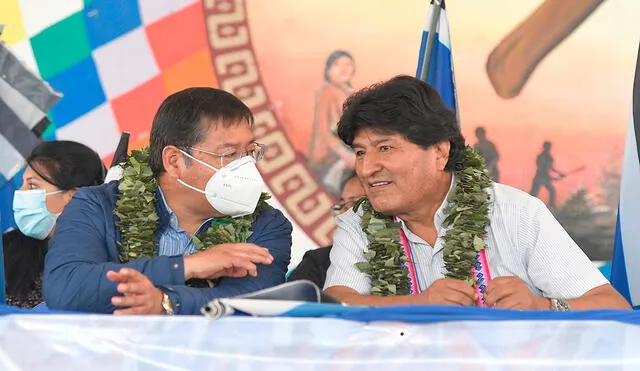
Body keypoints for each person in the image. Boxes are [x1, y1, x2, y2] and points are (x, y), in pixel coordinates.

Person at [324, 75, 630, 310]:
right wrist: (419, 303)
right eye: (361, 152)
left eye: (385, 148)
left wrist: (542, 305)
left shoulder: (516, 212)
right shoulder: (358, 222)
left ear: (439, 153)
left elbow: (610, 304)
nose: (366, 169)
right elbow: (337, 302)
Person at [44, 88, 293, 315]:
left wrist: (166, 302)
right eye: (229, 155)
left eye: (249, 152)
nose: (245, 166)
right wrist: (187, 266)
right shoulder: (96, 205)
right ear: (174, 161)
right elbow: (66, 287)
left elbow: (252, 303)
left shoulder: (267, 225)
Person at [3, 141, 106, 308]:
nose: (20, 193)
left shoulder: (108, 257)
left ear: (74, 196)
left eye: (32, 185)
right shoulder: (5, 249)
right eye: (23, 184)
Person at [287, 172, 364, 288]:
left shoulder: (400, 256)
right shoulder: (317, 262)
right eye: (341, 205)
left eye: (354, 203)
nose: (342, 215)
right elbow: (292, 303)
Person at [308, 50, 357, 197]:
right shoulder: (326, 91)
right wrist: (345, 155)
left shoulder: (351, 93)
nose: (343, 69)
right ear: (328, 70)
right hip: (330, 156)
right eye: (337, 65)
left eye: (348, 64)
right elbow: (324, 131)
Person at [530, 141, 565, 209]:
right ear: (544, 147)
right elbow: (541, 169)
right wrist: (552, 178)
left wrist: (559, 174)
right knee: (533, 194)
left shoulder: (549, 158)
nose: (548, 148)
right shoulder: (541, 156)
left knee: (552, 191)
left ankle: (552, 206)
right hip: (539, 178)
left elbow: (550, 168)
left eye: (549, 147)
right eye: (547, 147)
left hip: (545, 178)